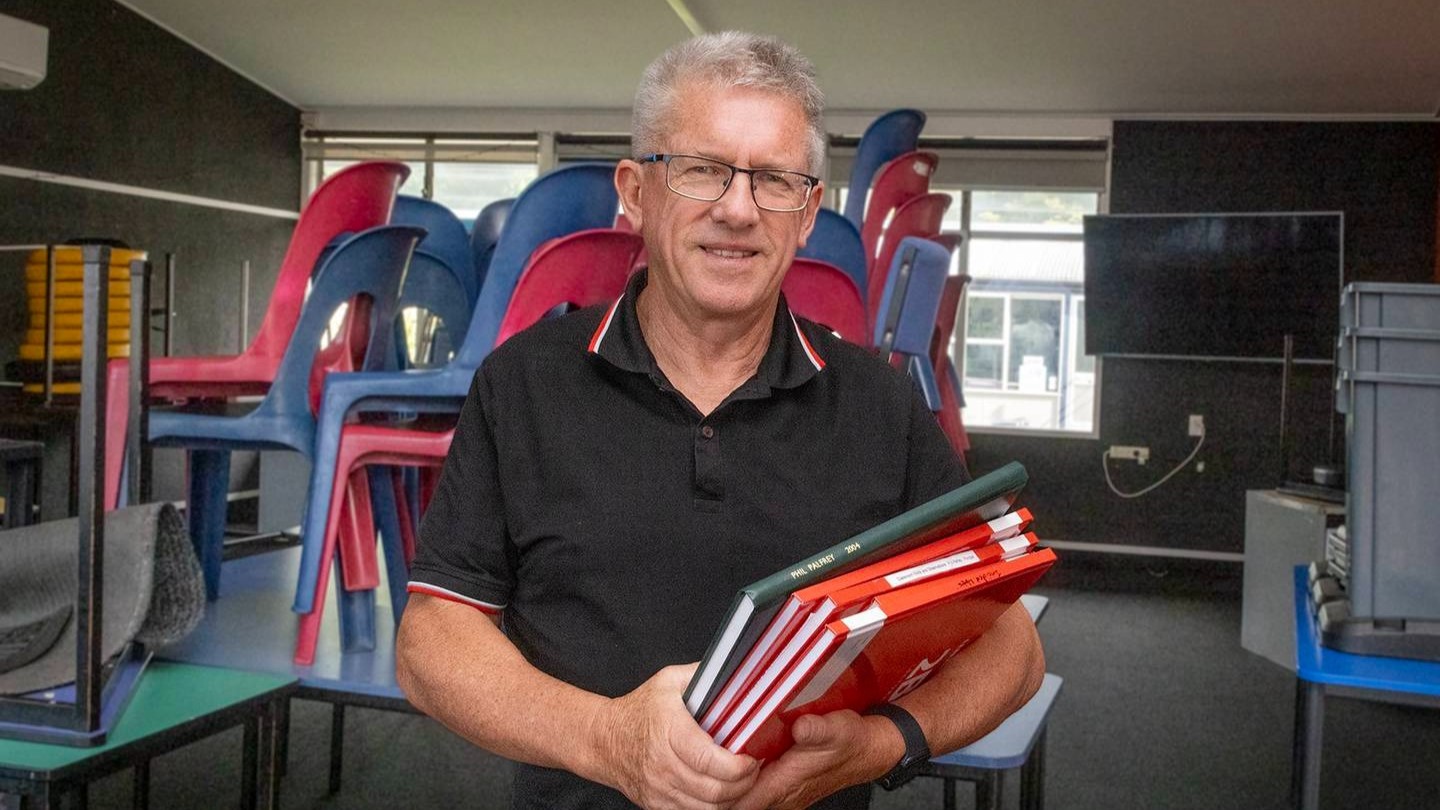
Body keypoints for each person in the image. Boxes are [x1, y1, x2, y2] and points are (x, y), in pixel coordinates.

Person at [396, 31, 1044, 810]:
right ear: (635, 191)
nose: (739, 210)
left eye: (775, 181)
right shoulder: (525, 383)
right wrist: (609, 740)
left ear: (807, 214)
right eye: (703, 171)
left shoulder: (880, 405)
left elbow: (1011, 645)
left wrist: (880, 744)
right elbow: (432, 641)